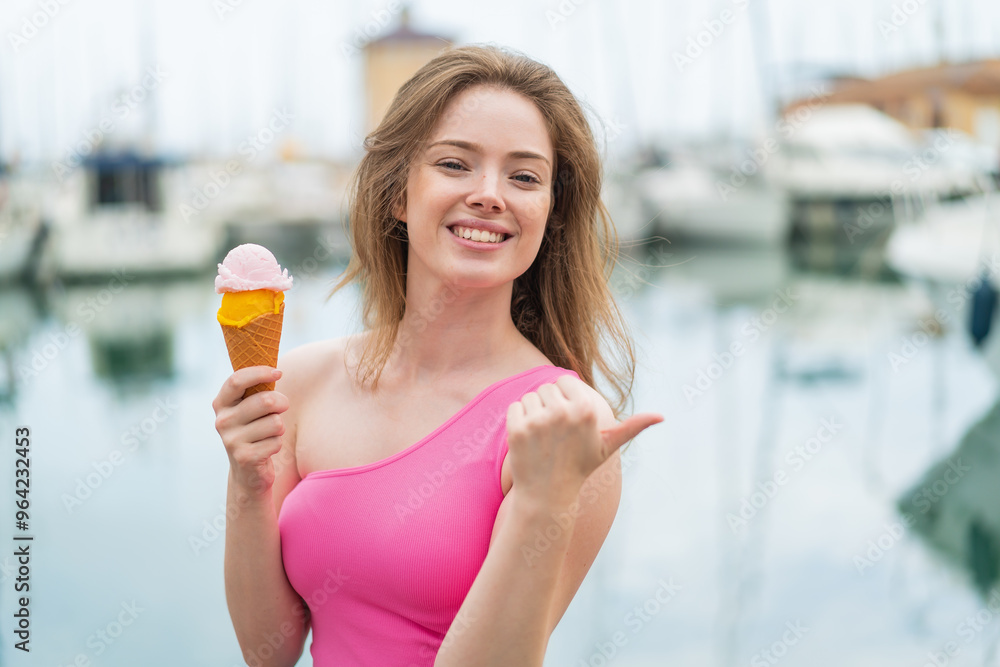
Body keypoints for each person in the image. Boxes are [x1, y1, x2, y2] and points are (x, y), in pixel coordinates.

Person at [212, 44, 663, 667]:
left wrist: (542, 501)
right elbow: (271, 651)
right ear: (398, 194)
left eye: (524, 176)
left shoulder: (564, 426)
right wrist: (246, 480)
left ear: (551, 214)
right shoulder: (303, 384)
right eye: (455, 164)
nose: (488, 194)